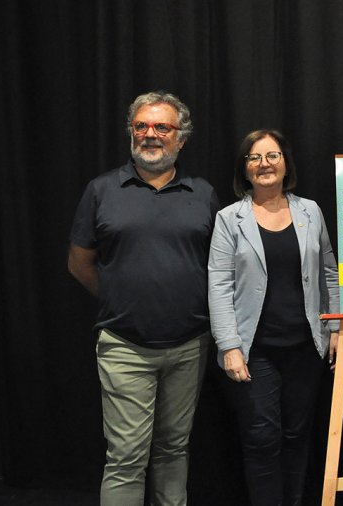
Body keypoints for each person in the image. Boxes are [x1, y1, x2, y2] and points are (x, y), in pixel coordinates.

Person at [67, 91, 220, 506]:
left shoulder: (203, 193)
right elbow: (80, 263)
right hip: (123, 346)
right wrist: (121, 297)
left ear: (181, 138)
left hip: (189, 345)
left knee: (174, 451)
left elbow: (220, 269)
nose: (150, 135)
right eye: (141, 126)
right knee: (126, 459)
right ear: (131, 132)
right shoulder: (101, 190)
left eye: (162, 127)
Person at [207, 129, 340, 506]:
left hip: (305, 347)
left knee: (298, 435)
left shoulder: (309, 211)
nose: (264, 164)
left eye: (273, 155)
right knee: (262, 438)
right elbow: (218, 284)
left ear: (285, 163)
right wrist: (229, 345)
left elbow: (330, 271)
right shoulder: (229, 219)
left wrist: (335, 326)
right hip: (256, 351)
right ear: (244, 169)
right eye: (254, 157)